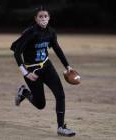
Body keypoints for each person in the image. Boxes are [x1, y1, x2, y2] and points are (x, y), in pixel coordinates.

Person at [11, 6, 76, 137]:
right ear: (35, 18)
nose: (43, 19)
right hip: (32, 70)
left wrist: (67, 66)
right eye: (40, 16)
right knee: (40, 104)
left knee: (60, 95)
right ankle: (24, 92)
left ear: (49, 18)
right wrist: (26, 73)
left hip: (47, 66)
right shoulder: (31, 33)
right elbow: (17, 52)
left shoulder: (51, 32)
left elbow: (57, 48)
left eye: (45, 16)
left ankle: (61, 127)